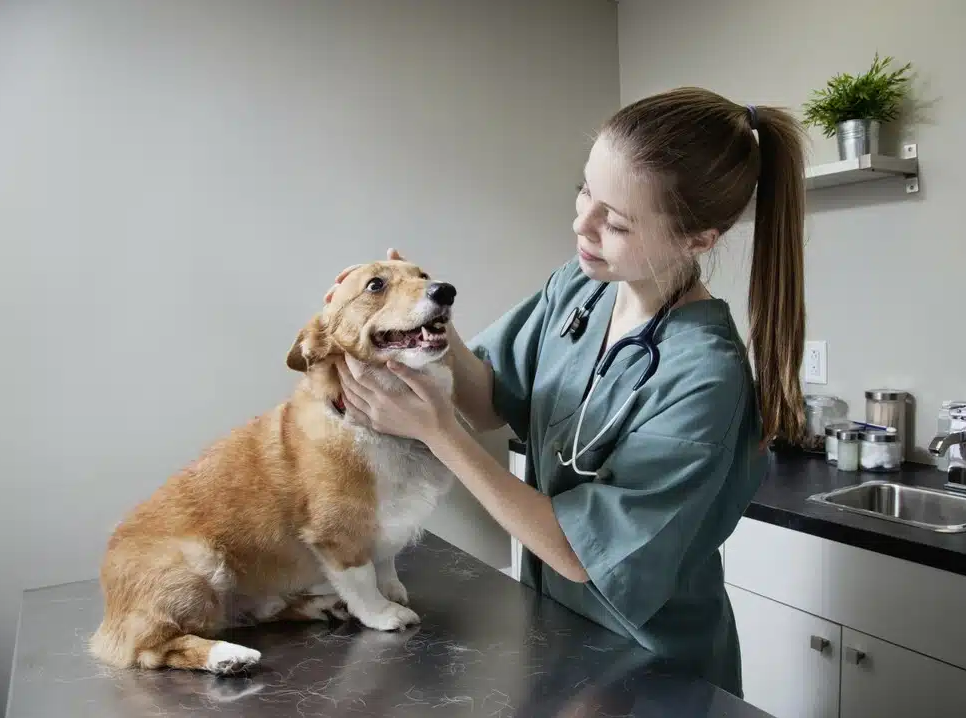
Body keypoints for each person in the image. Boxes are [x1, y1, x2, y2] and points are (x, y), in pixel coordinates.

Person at [331, 86, 808, 698]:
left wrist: (436, 432)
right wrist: (421, 315)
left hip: (650, 664)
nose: (582, 223)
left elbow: (583, 555)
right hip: (559, 637)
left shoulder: (705, 378)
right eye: (586, 190)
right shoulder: (581, 289)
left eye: (616, 221)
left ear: (699, 240)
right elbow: (487, 398)